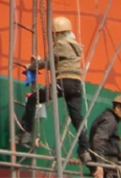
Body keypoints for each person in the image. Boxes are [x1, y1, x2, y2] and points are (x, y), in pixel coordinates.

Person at [18, 16, 91, 166]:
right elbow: (58, 63)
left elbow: (48, 61)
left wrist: (32, 66)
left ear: (58, 33)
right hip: (76, 85)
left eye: (53, 34)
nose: (53, 37)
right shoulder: (75, 47)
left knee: (33, 99)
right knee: (77, 118)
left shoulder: (61, 45)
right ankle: (84, 151)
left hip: (63, 82)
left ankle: (27, 133)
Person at [90, 95, 121, 178]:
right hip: (107, 161)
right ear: (118, 108)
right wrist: (100, 165)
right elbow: (99, 140)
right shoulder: (110, 120)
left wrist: (117, 140)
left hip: (105, 161)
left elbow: (103, 137)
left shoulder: (107, 117)